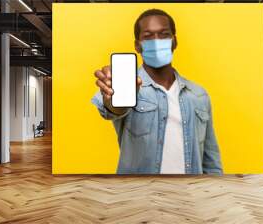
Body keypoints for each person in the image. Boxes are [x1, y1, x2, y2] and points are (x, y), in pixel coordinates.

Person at [91, 9, 222, 174]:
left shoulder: (199, 94)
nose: (156, 41)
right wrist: (112, 101)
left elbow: (211, 158)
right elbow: (112, 111)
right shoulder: (122, 83)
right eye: (147, 36)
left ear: (174, 41)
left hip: (189, 192)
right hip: (139, 193)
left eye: (164, 34)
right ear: (137, 45)